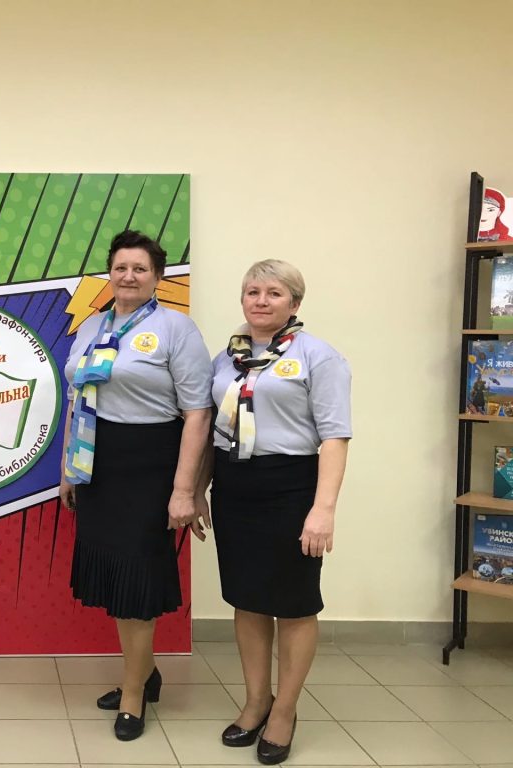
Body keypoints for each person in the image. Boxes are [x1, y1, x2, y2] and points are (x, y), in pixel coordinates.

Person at [58, 229, 212, 741]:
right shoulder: (93, 325)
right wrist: (68, 469)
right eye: (120, 267)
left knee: (137, 580)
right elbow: (77, 398)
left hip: (150, 465)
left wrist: (184, 490)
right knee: (116, 578)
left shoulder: (176, 328)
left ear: (157, 277)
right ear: (110, 272)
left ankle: (133, 692)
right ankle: (144, 672)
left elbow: (198, 413)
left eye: (140, 268)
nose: (128, 276)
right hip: (97, 463)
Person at [199, 259, 351, 765]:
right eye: (252, 292)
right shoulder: (227, 358)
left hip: (291, 488)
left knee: (294, 603)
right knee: (248, 598)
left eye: (274, 293)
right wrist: (197, 489)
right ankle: (255, 702)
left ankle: (284, 711)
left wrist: (323, 509)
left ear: (295, 303)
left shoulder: (318, 357)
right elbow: (212, 431)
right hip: (234, 487)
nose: (261, 301)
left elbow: (335, 437)